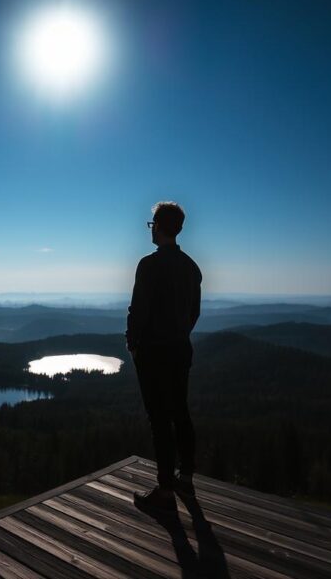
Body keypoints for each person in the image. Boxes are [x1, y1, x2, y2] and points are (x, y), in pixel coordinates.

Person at [127, 201, 202, 511]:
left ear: (158, 226)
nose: (151, 229)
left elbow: (138, 310)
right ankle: (185, 478)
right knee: (180, 413)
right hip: (180, 349)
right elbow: (194, 313)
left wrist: (133, 343)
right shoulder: (191, 266)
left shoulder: (149, 265)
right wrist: (180, 334)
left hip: (153, 352)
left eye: (151, 224)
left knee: (159, 419)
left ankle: (165, 492)